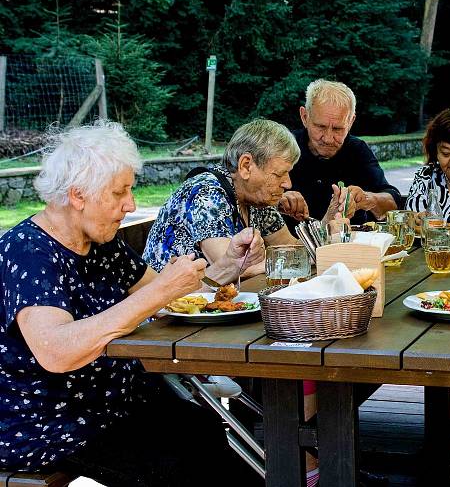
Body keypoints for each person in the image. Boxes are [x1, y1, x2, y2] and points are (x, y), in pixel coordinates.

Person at [0, 122, 263, 485]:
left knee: (201, 429)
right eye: (119, 193)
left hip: (116, 401)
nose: (132, 204)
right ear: (78, 195)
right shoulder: (29, 252)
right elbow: (56, 350)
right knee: (174, 463)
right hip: (53, 421)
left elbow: (181, 297)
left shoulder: (100, 243)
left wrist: (229, 264)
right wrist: (158, 294)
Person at [144, 118, 343, 277]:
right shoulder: (206, 193)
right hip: (168, 318)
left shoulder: (257, 199)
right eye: (279, 174)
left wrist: (327, 231)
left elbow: (293, 249)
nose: (287, 183)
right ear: (246, 165)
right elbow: (236, 267)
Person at [285, 79, 401, 227]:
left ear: (351, 122)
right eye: (320, 126)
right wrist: (280, 200)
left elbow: (393, 200)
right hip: (294, 245)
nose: (328, 139)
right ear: (304, 117)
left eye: (338, 129)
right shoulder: (285, 148)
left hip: (349, 245)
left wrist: (367, 199)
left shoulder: (358, 150)